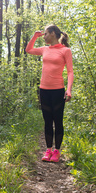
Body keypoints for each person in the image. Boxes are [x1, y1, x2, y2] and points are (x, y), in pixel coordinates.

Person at [26, 24, 74, 163]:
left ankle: (57, 151)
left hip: (58, 90)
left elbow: (70, 71)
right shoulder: (44, 49)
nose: (44, 36)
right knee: (47, 121)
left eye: (45, 34)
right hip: (44, 90)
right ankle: (48, 150)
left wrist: (69, 90)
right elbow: (28, 50)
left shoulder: (65, 51)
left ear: (53, 33)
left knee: (58, 121)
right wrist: (35, 36)